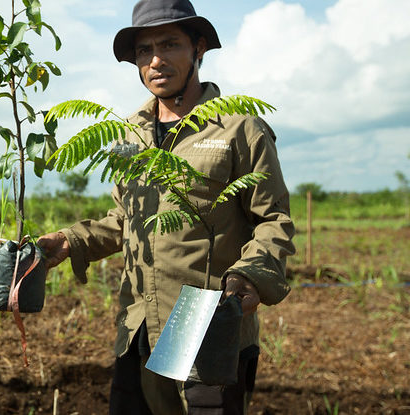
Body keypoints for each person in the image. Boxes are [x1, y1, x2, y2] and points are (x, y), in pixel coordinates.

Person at [37, 0, 295, 413]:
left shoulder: (239, 129)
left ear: (199, 50)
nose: (156, 60)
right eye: (144, 51)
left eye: (169, 45)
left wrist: (250, 276)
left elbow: (273, 220)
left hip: (204, 321)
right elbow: (126, 219)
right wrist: (70, 241)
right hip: (139, 323)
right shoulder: (129, 134)